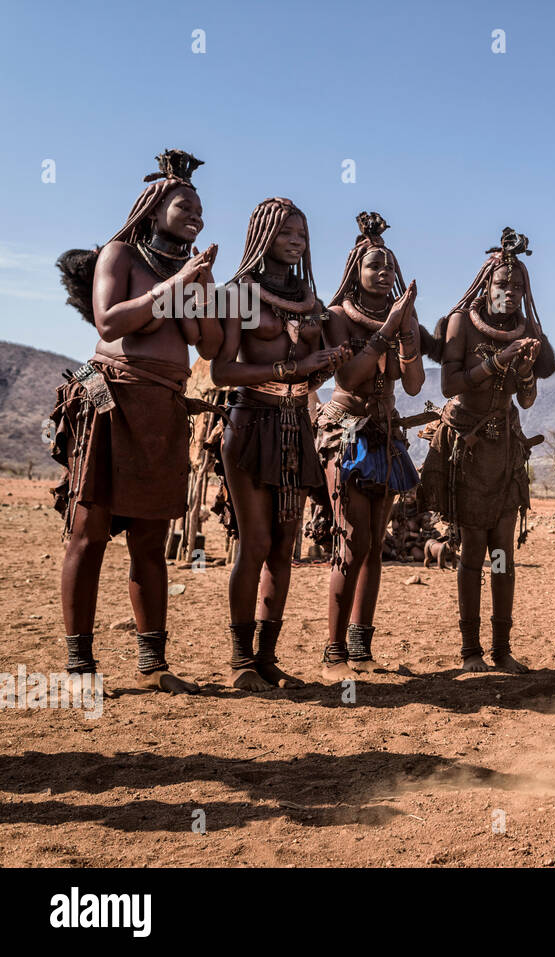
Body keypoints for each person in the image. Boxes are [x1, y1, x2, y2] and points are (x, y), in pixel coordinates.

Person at [50, 149, 221, 695]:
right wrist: (176, 284)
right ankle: (80, 667)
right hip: (112, 402)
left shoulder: (189, 273)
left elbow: (210, 346)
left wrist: (204, 288)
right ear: (154, 208)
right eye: (184, 203)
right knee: (90, 534)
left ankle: (154, 667)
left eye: (199, 206)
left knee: (150, 542)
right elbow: (110, 319)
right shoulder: (119, 254)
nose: (195, 213)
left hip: (163, 409)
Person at [210, 198, 351, 691]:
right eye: (287, 231)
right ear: (264, 234)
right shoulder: (241, 293)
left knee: (284, 546)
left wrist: (328, 363)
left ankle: (267, 658)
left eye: (304, 235)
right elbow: (221, 370)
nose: (297, 241)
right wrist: (290, 369)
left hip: (295, 422)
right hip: (250, 421)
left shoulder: (311, 302)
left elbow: (311, 379)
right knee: (255, 542)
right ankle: (239, 661)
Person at [422, 228, 555, 674]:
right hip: (468, 450)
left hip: (505, 452)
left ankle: (502, 650)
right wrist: (499, 361)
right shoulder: (461, 322)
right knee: (473, 550)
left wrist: (523, 368)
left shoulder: (524, 330)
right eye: (503, 285)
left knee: (504, 552)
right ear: (487, 285)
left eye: (519, 287)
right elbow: (449, 384)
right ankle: (470, 652)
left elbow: (527, 400)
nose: (511, 293)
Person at [317, 213, 426, 680]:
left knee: (374, 547)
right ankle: (333, 654)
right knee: (351, 541)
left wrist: (406, 331)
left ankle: (361, 650)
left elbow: (416, 384)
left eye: (388, 266)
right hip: (346, 431)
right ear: (355, 272)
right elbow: (349, 376)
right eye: (372, 266)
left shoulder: (403, 319)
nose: (382, 273)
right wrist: (389, 328)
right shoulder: (337, 316)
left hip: (386, 434)